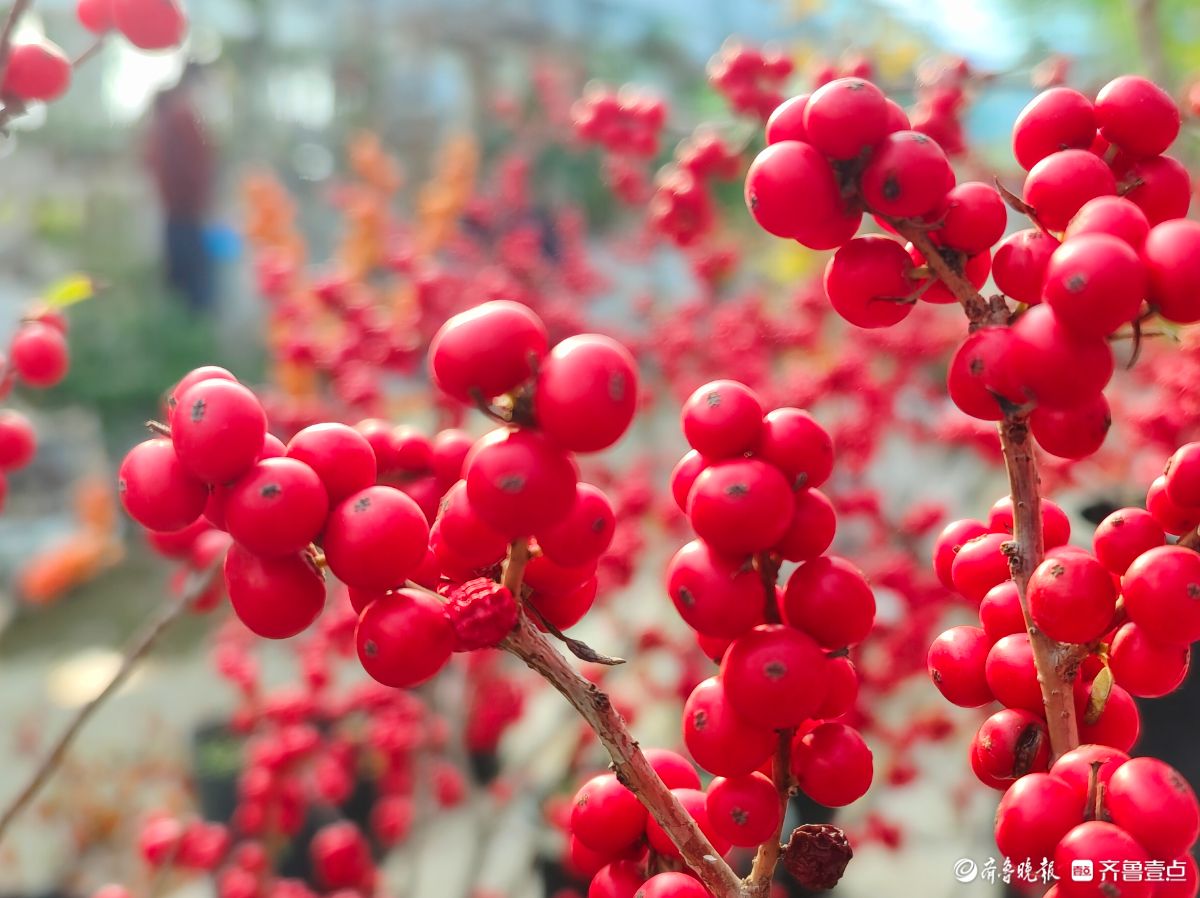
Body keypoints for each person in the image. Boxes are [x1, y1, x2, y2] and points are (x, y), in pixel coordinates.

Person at [144, 64, 216, 313]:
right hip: (185, 213)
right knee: (193, 294)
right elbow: (190, 168)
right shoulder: (182, 116)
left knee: (179, 287)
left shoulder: (170, 115)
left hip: (178, 212)